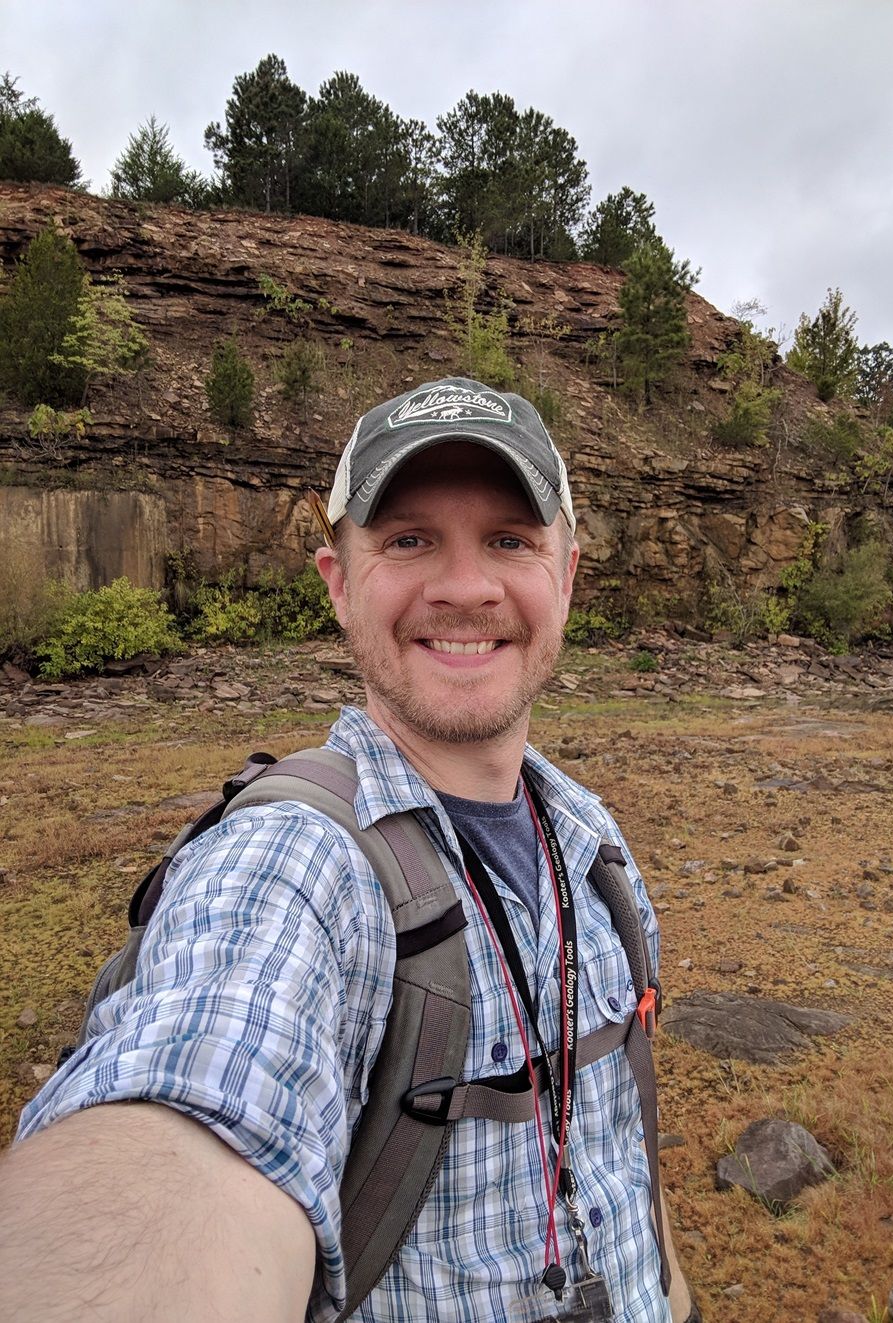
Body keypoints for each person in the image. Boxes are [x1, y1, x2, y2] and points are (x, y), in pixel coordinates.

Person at [0, 377, 692, 1322]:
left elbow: (619, 1151)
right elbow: (193, 1103)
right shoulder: (296, 865)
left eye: (510, 540)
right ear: (337, 581)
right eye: (409, 539)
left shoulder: (595, 841)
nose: (464, 585)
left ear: (566, 576)